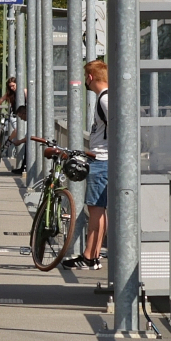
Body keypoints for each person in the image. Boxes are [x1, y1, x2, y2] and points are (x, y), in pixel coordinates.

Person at [66, 59, 109, 270]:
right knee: (99, 210)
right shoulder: (107, 98)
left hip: (102, 161)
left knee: (95, 210)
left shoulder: (104, 100)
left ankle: (90, 257)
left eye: (86, 77)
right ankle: (92, 255)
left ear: (90, 78)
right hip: (103, 159)